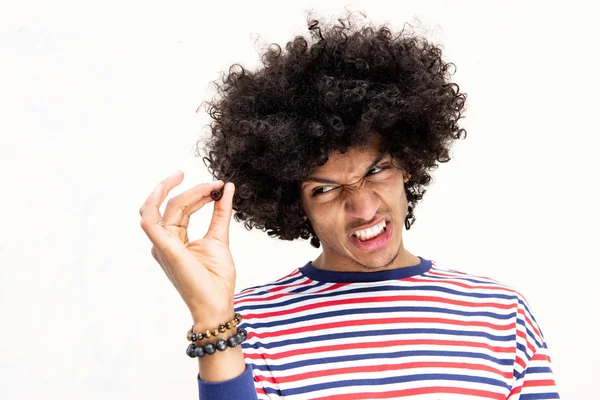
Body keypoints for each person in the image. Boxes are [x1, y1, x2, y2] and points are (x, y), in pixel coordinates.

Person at [139, 12, 559, 399]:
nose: (362, 207)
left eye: (376, 171)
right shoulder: (246, 325)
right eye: (325, 190)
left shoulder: (499, 316)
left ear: (407, 164)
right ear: (293, 202)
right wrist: (213, 318)